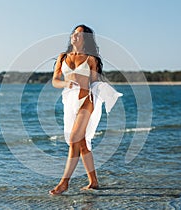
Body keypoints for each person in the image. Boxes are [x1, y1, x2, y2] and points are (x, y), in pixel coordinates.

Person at [50, 24, 122, 195]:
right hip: (69, 102)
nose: (75, 36)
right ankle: (94, 181)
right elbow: (55, 81)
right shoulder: (62, 57)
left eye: (79, 34)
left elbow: (95, 83)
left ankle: (64, 182)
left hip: (86, 101)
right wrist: (65, 83)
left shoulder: (90, 59)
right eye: (74, 33)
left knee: (75, 139)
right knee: (81, 143)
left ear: (86, 39)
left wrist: (105, 94)